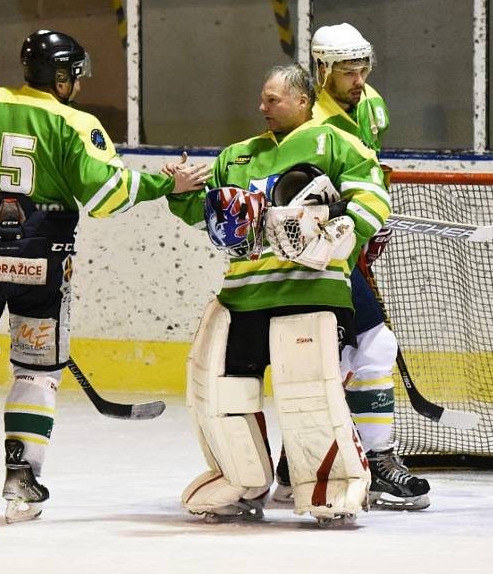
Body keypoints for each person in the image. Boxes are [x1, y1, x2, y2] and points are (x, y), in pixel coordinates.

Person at [0, 29, 207, 523]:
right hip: (43, 264)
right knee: (35, 372)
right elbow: (106, 197)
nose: (78, 86)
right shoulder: (76, 123)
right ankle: (21, 476)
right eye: (75, 77)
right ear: (60, 77)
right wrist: (163, 185)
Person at [165, 64, 390, 526]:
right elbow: (204, 217)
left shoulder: (338, 143)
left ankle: (331, 487)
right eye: (262, 99)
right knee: (221, 395)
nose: (262, 107)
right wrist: (182, 191)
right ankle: (241, 480)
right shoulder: (237, 156)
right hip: (244, 297)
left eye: (273, 99)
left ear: (303, 100)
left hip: (309, 294)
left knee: (310, 396)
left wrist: (338, 226)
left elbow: (372, 198)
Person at [272, 22, 430, 510]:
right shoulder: (306, 120)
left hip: (346, 252)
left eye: (363, 70)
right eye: (347, 72)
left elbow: (368, 173)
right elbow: (287, 195)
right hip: (313, 258)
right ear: (322, 71)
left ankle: (293, 464)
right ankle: (372, 462)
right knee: (361, 349)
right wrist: (341, 224)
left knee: (347, 356)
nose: (358, 80)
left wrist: (367, 222)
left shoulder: (372, 106)